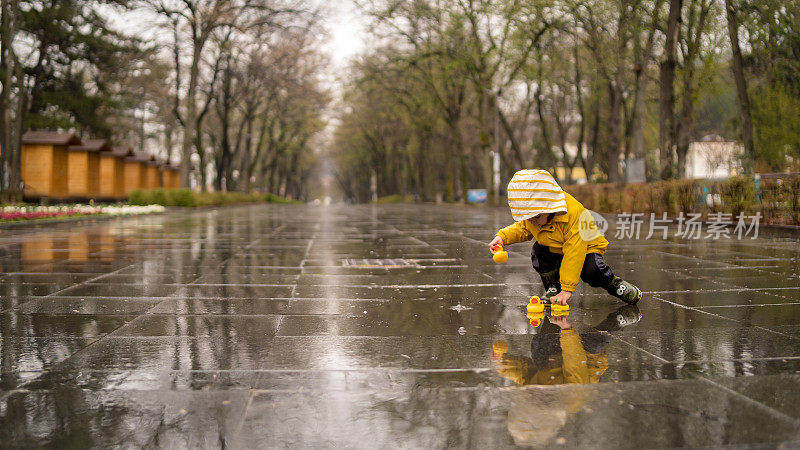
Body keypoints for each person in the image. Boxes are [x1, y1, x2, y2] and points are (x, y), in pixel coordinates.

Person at [488, 169, 642, 306]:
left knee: (591, 271)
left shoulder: (574, 214)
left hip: (586, 246)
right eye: (528, 218)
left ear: (549, 206)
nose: (531, 222)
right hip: (556, 247)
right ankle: (552, 288)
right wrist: (502, 237)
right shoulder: (534, 217)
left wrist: (567, 290)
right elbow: (522, 228)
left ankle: (613, 284)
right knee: (539, 252)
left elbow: (575, 251)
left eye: (535, 217)